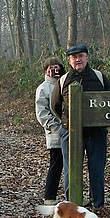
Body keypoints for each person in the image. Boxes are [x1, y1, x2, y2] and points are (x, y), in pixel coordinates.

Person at [51, 45, 110, 209]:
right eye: (74, 57)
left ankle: (97, 203)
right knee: (71, 170)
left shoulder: (99, 77)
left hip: (96, 132)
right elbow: (55, 105)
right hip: (70, 133)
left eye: (81, 56)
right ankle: (72, 203)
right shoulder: (63, 80)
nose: (78, 60)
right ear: (69, 60)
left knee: (97, 169)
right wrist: (67, 123)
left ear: (87, 58)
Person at [35, 57, 65, 205]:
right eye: (51, 67)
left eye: (57, 67)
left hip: (71, 132)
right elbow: (42, 113)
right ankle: (49, 196)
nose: (54, 70)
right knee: (56, 164)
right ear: (46, 70)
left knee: (71, 165)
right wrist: (56, 128)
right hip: (55, 134)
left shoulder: (66, 82)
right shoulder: (43, 88)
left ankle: (72, 195)